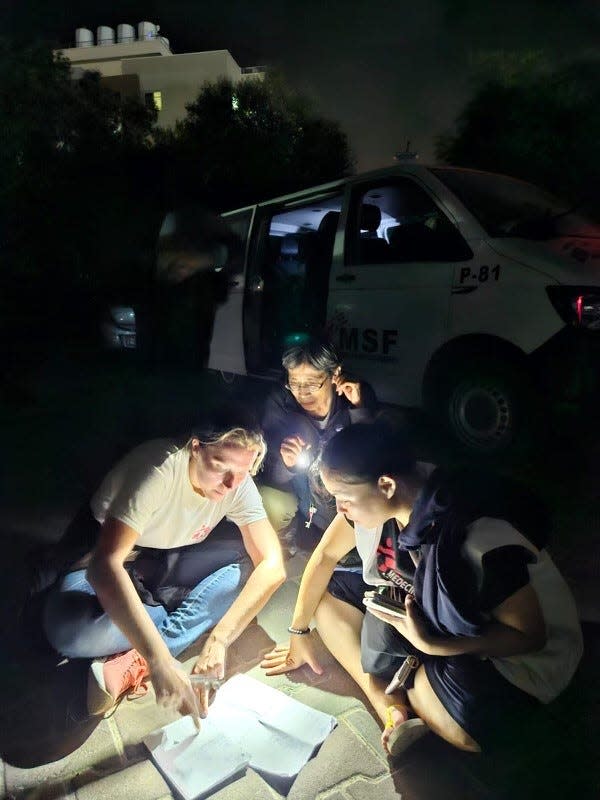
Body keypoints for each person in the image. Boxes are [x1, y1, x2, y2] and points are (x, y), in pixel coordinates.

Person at [261, 422, 583, 758]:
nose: (339, 509)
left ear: (385, 485)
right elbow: (325, 556)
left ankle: (407, 686)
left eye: (343, 499)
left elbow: (530, 636)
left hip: (505, 658)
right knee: (326, 601)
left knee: (464, 727)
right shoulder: (382, 501)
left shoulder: (474, 536)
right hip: (424, 615)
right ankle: (390, 706)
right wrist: (298, 631)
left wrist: (432, 645)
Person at [41, 407, 286, 724]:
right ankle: (154, 644)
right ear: (196, 448)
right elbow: (104, 566)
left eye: (244, 471)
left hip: (160, 567)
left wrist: (219, 641)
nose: (230, 484)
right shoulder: (159, 467)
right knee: (68, 636)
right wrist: (160, 661)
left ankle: (133, 657)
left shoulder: (238, 484)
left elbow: (273, 564)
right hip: (96, 573)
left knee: (248, 575)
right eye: (220, 467)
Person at [260, 337, 378, 555]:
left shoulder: (355, 396)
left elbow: (375, 455)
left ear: (335, 374)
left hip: (346, 493)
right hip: (303, 491)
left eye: (312, 383)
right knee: (271, 500)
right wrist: (288, 463)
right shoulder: (279, 405)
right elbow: (272, 478)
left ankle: (351, 539)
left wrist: (360, 410)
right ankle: (288, 538)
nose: (302, 392)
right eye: (294, 383)